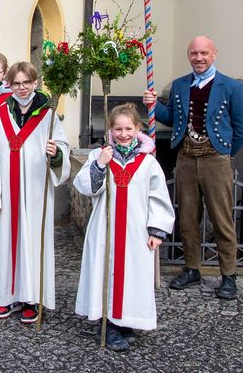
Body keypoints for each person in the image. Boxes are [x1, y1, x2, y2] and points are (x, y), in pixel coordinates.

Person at [143, 36, 243, 299]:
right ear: (188, 56)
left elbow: (240, 127)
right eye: (193, 53)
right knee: (187, 218)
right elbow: (172, 119)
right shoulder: (180, 85)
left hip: (215, 159)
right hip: (186, 158)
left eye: (204, 53)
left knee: (222, 219)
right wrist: (154, 106)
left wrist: (224, 153)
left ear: (214, 54)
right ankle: (192, 269)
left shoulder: (232, 87)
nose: (199, 58)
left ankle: (229, 275)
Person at [74, 103, 175, 351]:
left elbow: (158, 196)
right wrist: (100, 164)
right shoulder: (100, 156)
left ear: (138, 128)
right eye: (117, 129)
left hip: (135, 231)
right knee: (105, 272)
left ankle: (125, 319)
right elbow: (86, 187)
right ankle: (108, 324)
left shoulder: (148, 162)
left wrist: (156, 230)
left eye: (128, 128)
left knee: (132, 276)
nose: (123, 134)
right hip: (104, 230)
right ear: (110, 129)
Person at [0, 61, 70, 324]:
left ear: (35, 83)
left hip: (36, 190)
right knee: (5, 242)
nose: (22, 88)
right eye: (16, 83)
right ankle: (7, 296)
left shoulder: (48, 117)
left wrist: (57, 153)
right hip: (6, 191)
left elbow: (61, 147)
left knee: (32, 241)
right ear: (9, 85)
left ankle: (32, 298)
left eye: (26, 83)